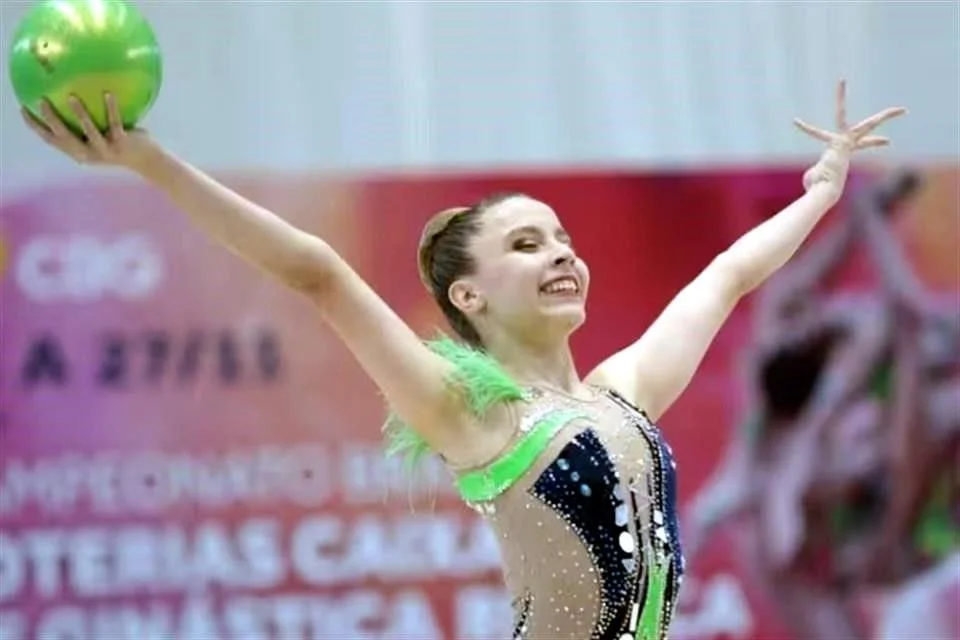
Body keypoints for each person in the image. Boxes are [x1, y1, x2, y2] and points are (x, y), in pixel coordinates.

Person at [21, 80, 905, 639]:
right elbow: (318, 273)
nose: (560, 252)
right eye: (525, 244)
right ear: (470, 298)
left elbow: (728, 275)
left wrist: (821, 191)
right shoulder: (469, 413)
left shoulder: (623, 394)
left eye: (562, 237)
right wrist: (149, 161)